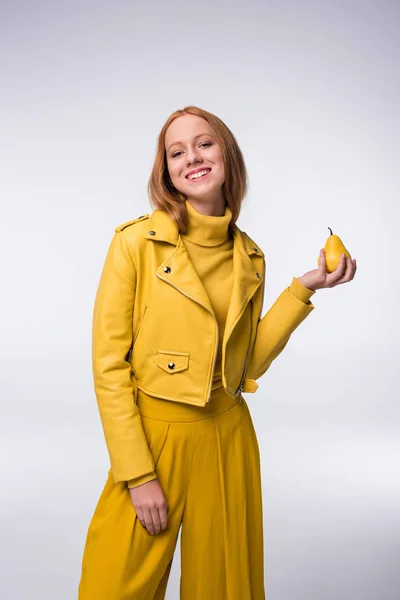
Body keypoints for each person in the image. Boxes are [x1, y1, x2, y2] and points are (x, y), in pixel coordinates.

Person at [77, 105, 357, 599]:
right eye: (176, 152)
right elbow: (108, 366)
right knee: (113, 584)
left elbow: (246, 364)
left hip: (227, 436)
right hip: (153, 439)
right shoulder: (134, 244)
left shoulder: (249, 257)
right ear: (165, 170)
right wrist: (138, 474)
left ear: (226, 154)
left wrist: (303, 289)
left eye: (205, 144)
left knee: (226, 587)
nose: (193, 158)